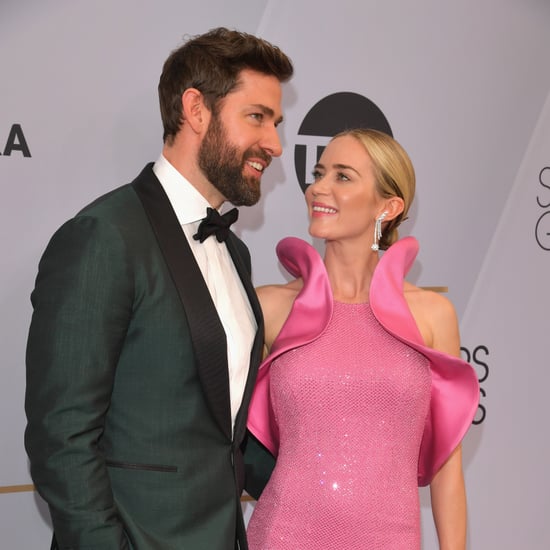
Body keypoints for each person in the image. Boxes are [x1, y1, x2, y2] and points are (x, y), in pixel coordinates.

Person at [24, 27, 293, 550]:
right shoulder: (104, 236)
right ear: (196, 110)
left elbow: (222, 434)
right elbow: (62, 440)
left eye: (276, 123)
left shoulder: (234, 252)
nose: (276, 144)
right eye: (257, 117)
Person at [244, 128, 480, 549]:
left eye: (343, 176)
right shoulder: (272, 306)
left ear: (387, 207)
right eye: (319, 173)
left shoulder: (432, 315)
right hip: (283, 536)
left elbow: (447, 468)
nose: (319, 186)